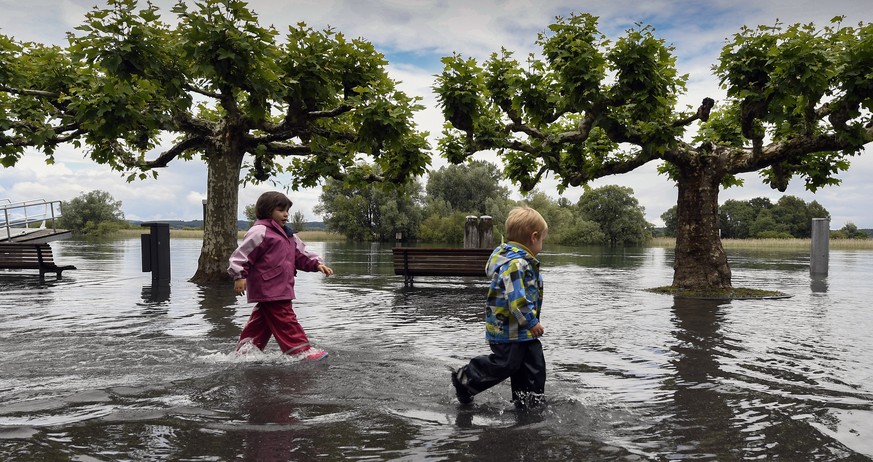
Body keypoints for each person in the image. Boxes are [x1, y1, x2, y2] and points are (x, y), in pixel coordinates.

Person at [451, 206, 548, 407]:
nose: (542, 244)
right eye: (542, 239)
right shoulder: (516, 264)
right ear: (534, 237)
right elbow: (516, 299)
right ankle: (466, 379)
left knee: (533, 365)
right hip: (508, 329)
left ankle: (529, 401)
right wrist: (531, 321)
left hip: (522, 331)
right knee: (506, 363)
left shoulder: (522, 262)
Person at [228, 191, 334, 361]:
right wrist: (239, 275)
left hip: (280, 286)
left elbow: (301, 255)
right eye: (280, 210)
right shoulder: (260, 232)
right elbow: (242, 255)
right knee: (285, 319)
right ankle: (301, 351)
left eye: (287, 211)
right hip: (268, 287)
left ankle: (245, 351)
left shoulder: (289, 236)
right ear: (267, 210)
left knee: (261, 322)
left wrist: (317, 264)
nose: (285, 214)